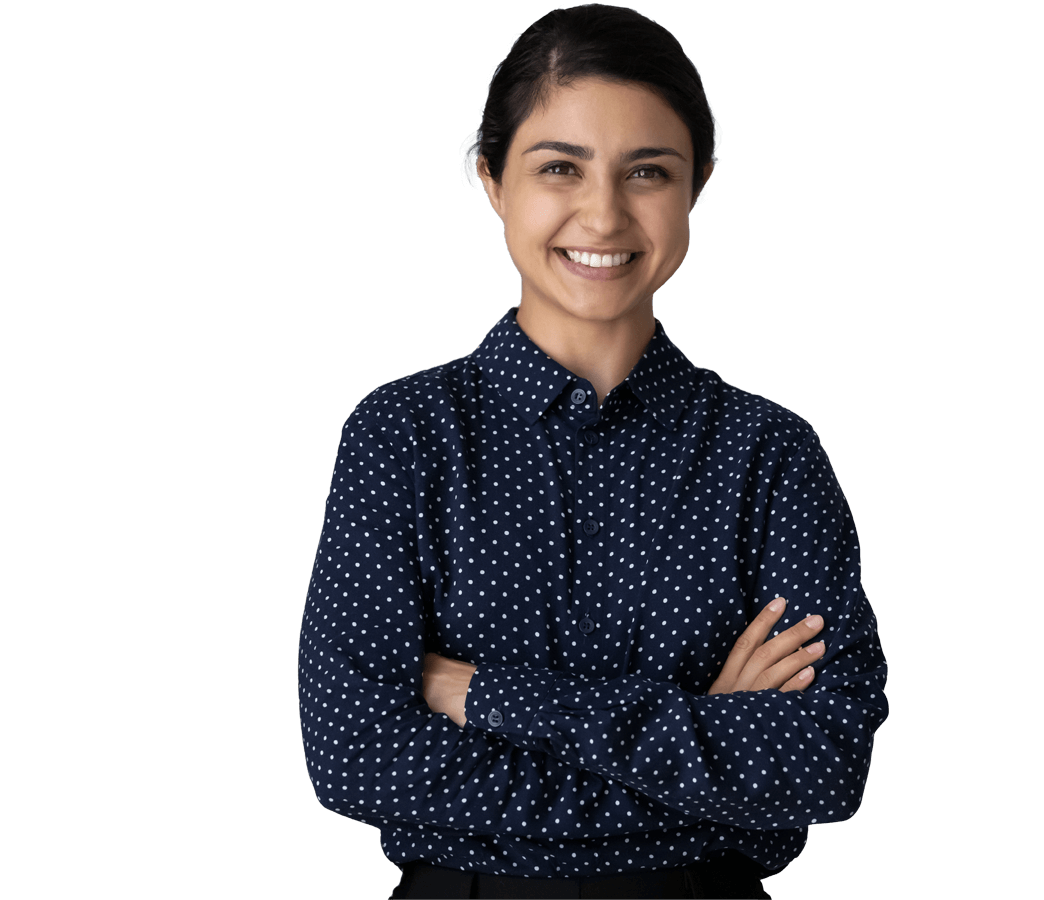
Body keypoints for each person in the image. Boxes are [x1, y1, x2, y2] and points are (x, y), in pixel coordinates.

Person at [297, 5, 888, 898]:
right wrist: (707, 739)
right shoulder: (401, 436)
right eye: (560, 167)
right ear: (493, 180)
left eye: (647, 171)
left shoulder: (770, 453)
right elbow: (354, 758)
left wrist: (484, 695)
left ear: (698, 184)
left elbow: (825, 763)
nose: (604, 215)